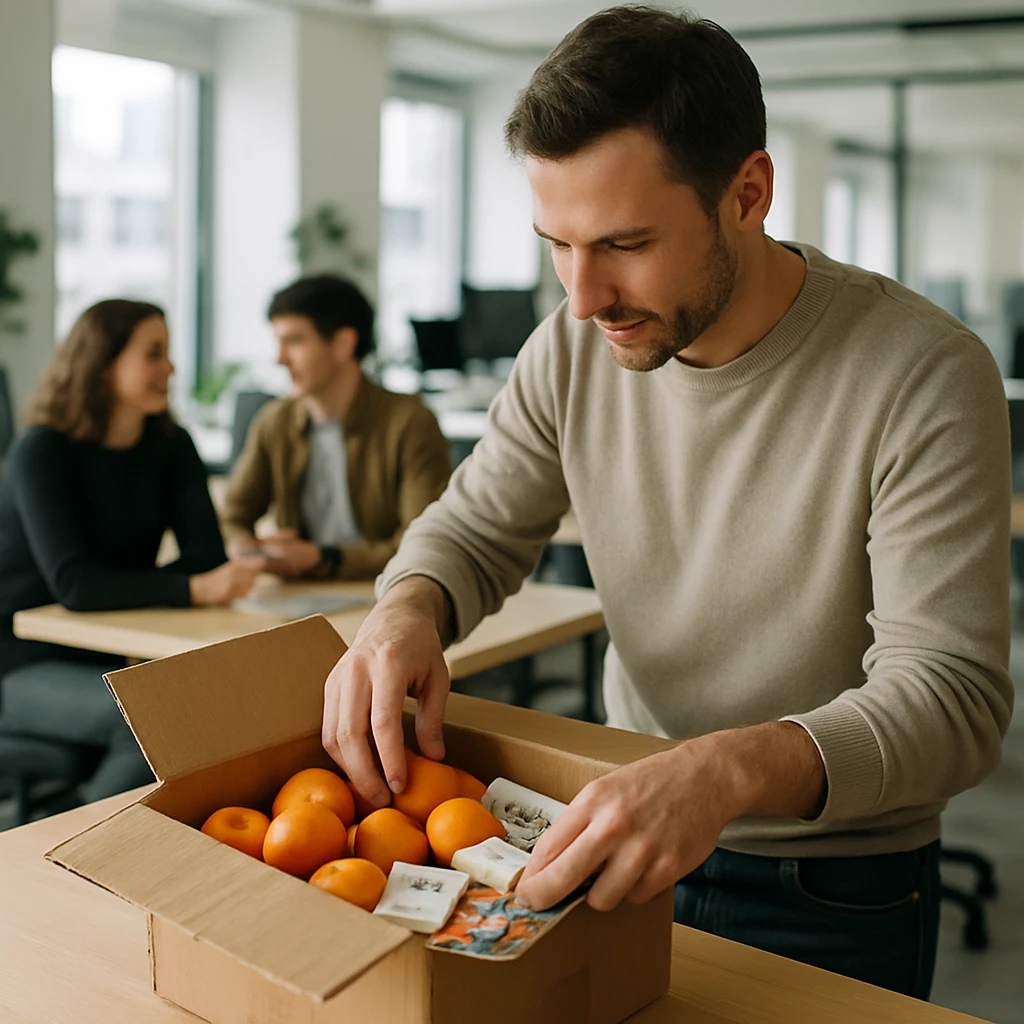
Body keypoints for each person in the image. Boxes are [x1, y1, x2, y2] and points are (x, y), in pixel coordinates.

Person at [319, 6, 1014, 1000]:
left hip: (824, 883)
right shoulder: (571, 343)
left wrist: (719, 773)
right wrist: (403, 609)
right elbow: (473, 527)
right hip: (604, 832)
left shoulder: (923, 373)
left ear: (748, 193)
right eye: (555, 243)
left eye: (624, 243)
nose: (585, 294)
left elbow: (952, 698)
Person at [0, 299, 263, 803]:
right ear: (102, 364)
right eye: (153, 353)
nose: (171, 368)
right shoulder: (41, 451)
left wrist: (193, 583)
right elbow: (76, 584)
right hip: (18, 661)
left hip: (106, 654)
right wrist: (189, 587)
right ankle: (69, 854)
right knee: (152, 723)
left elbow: (204, 558)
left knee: (224, 703)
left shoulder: (169, 444)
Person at [220, 274, 452, 581]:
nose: (280, 359)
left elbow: (422, 543)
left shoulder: (410, 423)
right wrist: (247, 550)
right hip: (300, 595)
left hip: (388, 592)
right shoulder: (275, 421)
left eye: (294, 341)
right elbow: (232, 515)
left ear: (343, 343)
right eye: (278, 343)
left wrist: (321, 558)